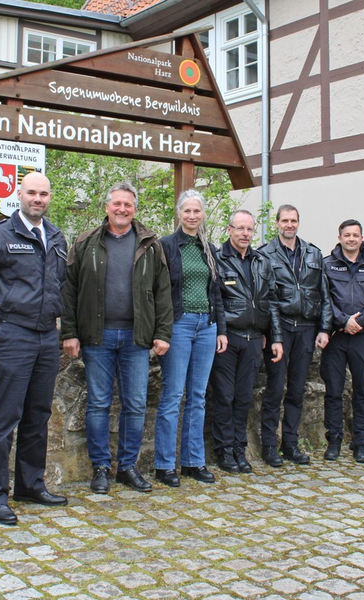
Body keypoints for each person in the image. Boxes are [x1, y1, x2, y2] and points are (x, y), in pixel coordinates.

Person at [0, 172, 68, 525]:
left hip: (46, 337)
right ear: (18, 195)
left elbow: (59, 285)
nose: (37, 199)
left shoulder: (55, 236)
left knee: (38, 415)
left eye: (43, 193)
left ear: (50, 197)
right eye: (31, 193)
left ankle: (30, 484)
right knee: (5, 417)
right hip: (13, 336)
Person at [61, 182, 173, 494]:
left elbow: (163, 292)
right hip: (98, 336)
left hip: (137, 338)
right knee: (98, 403)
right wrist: (69, 332)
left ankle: (126, 467)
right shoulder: (86, 243)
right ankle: (100, 467)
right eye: (117, 204)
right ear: (107, 207)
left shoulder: (150, 244)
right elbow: (68, 290)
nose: (122, 209)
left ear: (134, 209)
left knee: (135, 404)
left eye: (128, 205)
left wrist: (162, 333)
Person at [154, 190, 227, 487]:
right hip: (179, 326)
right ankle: (164, 464)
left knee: (197, 397)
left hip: (206, 327)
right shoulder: (166, 246)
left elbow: (217, 293)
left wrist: (221, 328)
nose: (192, 216)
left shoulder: (208, 248)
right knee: (173, 395)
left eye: (197, 211)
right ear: (179, 214)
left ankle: (193, 462)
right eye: (187, 211)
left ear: (203, 214)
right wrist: (160, 330)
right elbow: (158, 293)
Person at [256, 205, 331, 467]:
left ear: (298, 223)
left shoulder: (313, 253)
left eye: (294, 220)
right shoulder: (265, 254)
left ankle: (290, 444)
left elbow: (324, 294)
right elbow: (265, 300)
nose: (289, 225)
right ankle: (269, 446)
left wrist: (324, 328)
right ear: (276, 223)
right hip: (282, 327)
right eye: (285, 220)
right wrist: (271, 333)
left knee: (297, 391)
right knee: (275, 389)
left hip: (307, 329)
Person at [211, 210, 283, 473]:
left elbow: (271, 301)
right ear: (229, 230)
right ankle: (224, 450)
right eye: (239, 228)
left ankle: (240, 449)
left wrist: (275, 337)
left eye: (249, 229)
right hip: (228, 339)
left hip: (255, 340)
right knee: (224, 396)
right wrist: (220, 330)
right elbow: (215, 301)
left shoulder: (261, 261)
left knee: (243, 398)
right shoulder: (218, 260)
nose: (244, 234)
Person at [321, 219, 364, 463]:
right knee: (333, 392)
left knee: (362, 392)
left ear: (362, 238)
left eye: (356, 235)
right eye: (347, 235)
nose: (351, 239)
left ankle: (361, 444)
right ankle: (334, 441)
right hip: (337, 337)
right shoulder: (327, 266)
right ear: (339, 238)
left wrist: (358, 322)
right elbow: (323, 299)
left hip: (363, 337)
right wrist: (343, 321)